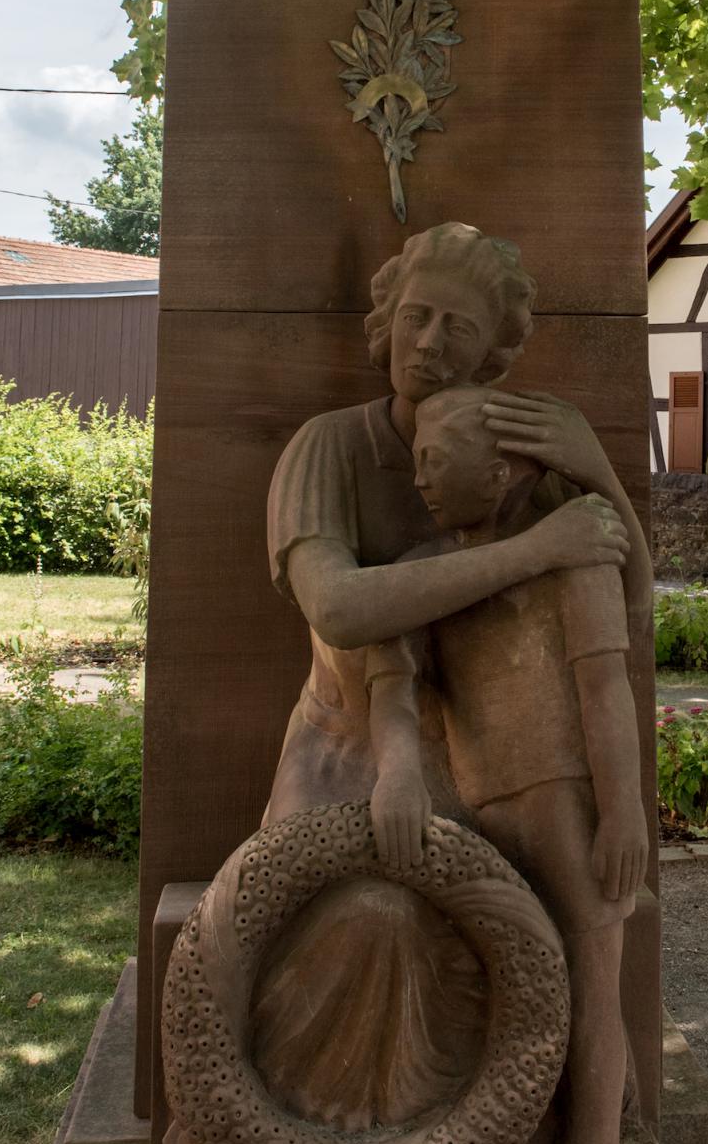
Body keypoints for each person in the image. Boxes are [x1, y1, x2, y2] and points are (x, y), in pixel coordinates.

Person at [363, 384, 649, 1144]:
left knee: (592, 976)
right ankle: (544, 1122)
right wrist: (399, 770)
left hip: (566, 797)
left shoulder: (579, 555)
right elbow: (393, 686)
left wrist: (624, 809)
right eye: (412, 456)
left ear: (503, 470)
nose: (418, 475)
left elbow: (606, 689)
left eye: (436, 457)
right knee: (523, 974)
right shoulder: (422, 574)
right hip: (478, 803)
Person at [264, 221, 647, 822]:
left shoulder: (519, 455)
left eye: (459, 328)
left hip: (498, 768)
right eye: (416, 317)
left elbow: (628, 610)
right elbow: (338, 609)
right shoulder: (330, 446)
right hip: (345, 753)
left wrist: (599, 474)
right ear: (388, 321)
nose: (428, 343)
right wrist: (536, 550)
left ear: (490, 352)